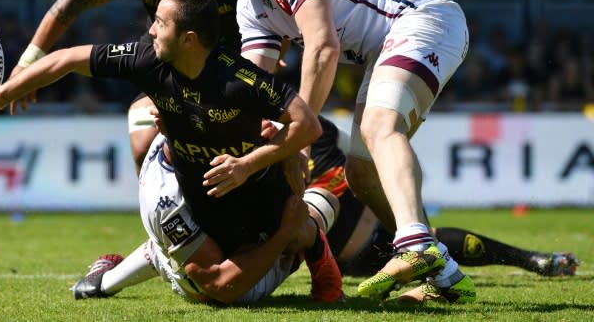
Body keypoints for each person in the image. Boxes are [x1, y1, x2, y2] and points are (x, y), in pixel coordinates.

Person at [0, 0, 344, 302]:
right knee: (207, 284)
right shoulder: (147, 60)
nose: (149, 30)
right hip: (184, 183)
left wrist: (252, 163)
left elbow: (307, 125)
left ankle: (318, 252)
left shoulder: (240, 80)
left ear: (189, 39)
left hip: (252, 189)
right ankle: (152, 250)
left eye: (160, 23)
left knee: (292, 230)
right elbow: (68, 58)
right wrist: (5, 92)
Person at [192, 0, 474, 303]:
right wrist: (199, 119)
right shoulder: (251, 4)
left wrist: (299, 132)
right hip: (387, 45)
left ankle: (415, 246)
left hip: (425, 17)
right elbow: (251, 90)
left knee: (380, 127)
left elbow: (323, 47)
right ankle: (443, 274)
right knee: (360, 174)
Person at [72, 122, 579, 303]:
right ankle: (102, 280)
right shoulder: (245, 129)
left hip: (308, 224)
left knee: (365, 240)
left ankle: (528, 259)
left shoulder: (313, 137)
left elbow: (330, 185)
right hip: (271, 233)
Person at [9, 0, 241, 173]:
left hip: (232, 67)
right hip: (168, 60)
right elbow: (73, 0)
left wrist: (272, 51)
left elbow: (273, 5)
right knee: (143, 148)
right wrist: (28, 61)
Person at [72, 133, 342, 305]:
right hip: (223, 287)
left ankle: (99, 284)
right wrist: (284, 232)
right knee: (319, 205)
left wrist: (291, 150)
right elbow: (220, 286)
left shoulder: (187, 124)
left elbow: (295, 122)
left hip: (173, 251)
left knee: (171, 244)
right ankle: (321, 269)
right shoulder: (164, 194)